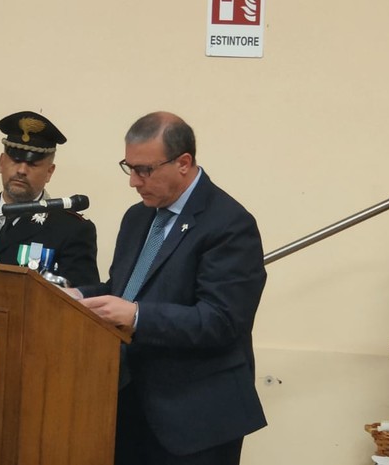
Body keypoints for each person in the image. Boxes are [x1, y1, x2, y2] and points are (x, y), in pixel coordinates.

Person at [70, 111, 267, 465]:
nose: (134, 181)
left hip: (195, 418)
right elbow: (124, 289)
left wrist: (137, 317)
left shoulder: (230, 223)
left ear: (183, 163)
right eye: (129, 168)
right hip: (129, 405)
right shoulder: (137, 217)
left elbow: (221, 321)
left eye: (144, 170)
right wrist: (77, 297)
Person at [0, 111, 98, 286]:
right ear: (1, 162)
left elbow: (78, 300)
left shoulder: (72, 229)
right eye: (15, 160)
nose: (21, 170)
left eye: (33, 164)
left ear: (49, 172)